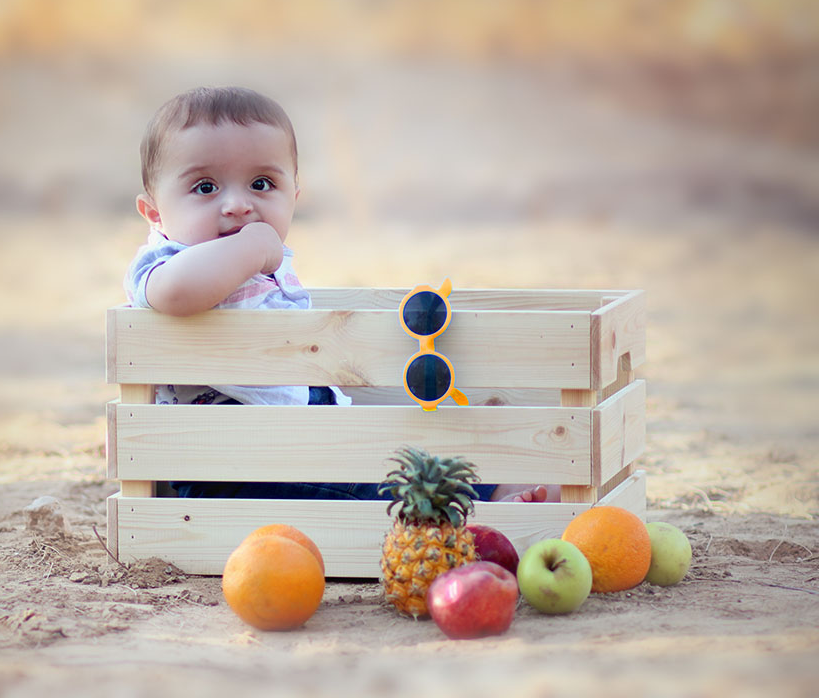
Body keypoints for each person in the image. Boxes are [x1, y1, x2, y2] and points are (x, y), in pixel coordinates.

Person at [124, 86, 552, 503]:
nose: (237, 204)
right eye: (205, 187)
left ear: (294, 194)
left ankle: (485, 483)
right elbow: (175, 293)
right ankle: (478, 504)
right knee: (377, 488)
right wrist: (251, 246)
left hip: (307, 446)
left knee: (401, 443)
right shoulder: (165, 262)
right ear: (155, 212)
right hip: (237, 472)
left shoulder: (263, 263)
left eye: (260, 183)